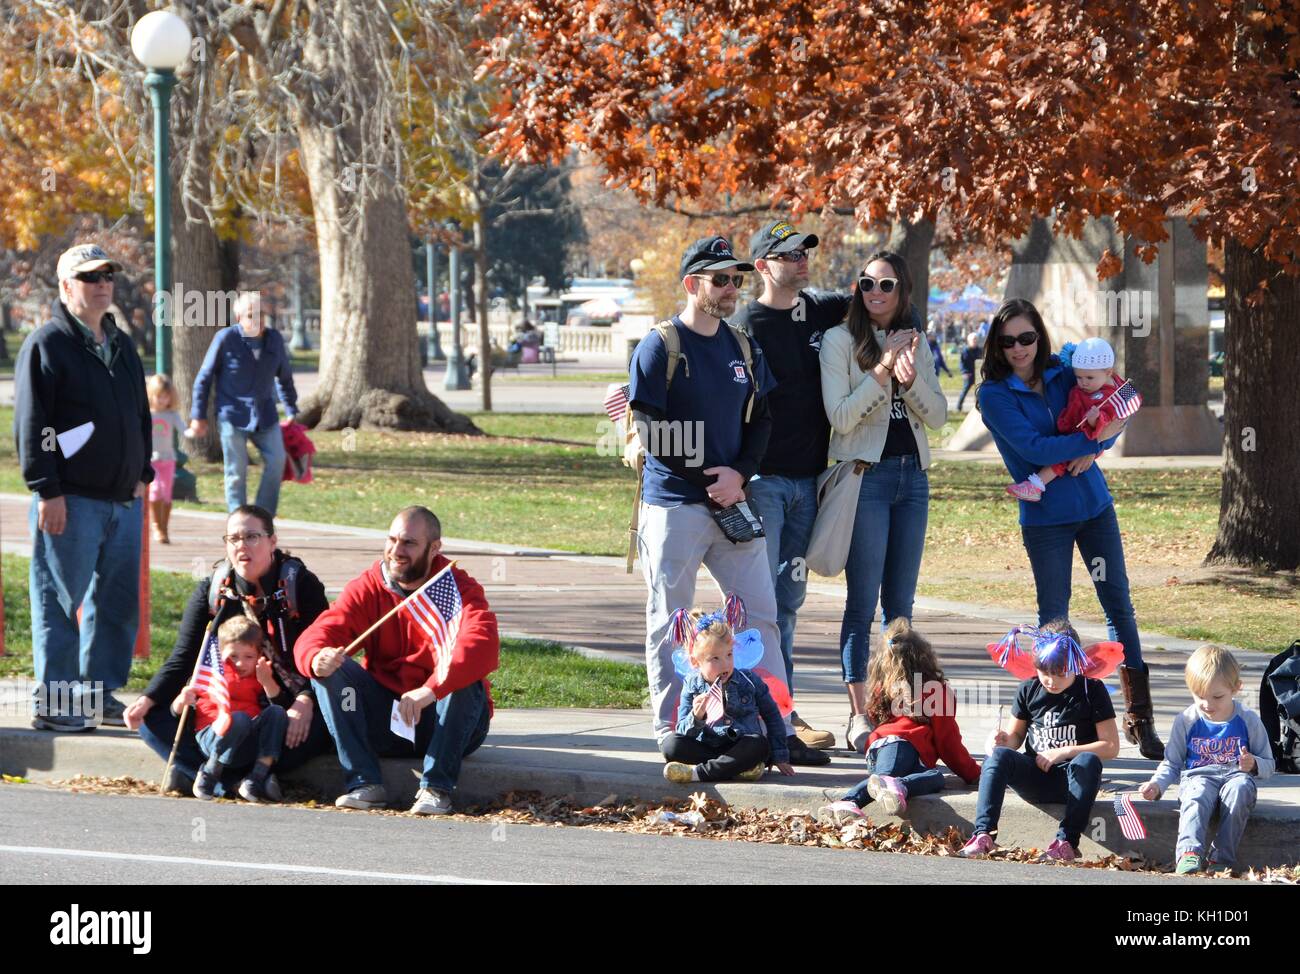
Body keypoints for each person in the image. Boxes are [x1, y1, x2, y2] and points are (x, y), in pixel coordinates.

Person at [628, 235, 828, 768]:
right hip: (673, 505)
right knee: (669, 620)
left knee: (760, 616)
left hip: (734, 503)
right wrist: (706, 476)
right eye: (720, 279)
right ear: (692, 284)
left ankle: (776, 730)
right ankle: (674, 730)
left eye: (736, 279)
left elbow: (762, 418)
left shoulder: (743, 345)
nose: (730, 288)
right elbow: (649, 426)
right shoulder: (660, 345)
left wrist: (737, 475)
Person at [976, 298, 1164, 759]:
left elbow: (1114, 407)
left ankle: (1140, 717)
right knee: (1054, 621)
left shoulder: (1065, 371)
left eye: (1027, 337)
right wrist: (1089, 441)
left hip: (1093, 505)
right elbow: (1035, 448)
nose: (1019, 348)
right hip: (1045, 520)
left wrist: (1099, 448)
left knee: (1118, 605)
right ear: (996, 347)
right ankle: (1054, 721)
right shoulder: (993, 395)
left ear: (1039, 336)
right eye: (1008, 341)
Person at [15, 243, 153, 731]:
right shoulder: (47, 344)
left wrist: (143, 475)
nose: (102, 284)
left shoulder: (122, 345)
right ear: (66, 285)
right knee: (58, 600)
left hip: (123, 499)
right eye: (90, 276)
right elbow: (33, 426)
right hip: (69, 500)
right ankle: (55, 703)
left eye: (108, 275)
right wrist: (46, 490)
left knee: (115, 606)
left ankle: (95, 694)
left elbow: (140, 413)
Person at [819, 250, 948, 752]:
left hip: (911, 479)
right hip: (865, 479)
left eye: (887, 284)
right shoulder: (838, 342)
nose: (876, 292)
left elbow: (936, 417)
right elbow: (841, 417)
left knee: (901, 608)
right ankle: (858, 717)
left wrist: (911, 378)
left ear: (904, 291)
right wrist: (881, 371)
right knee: (861, 602)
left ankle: (899, 710)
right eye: (867, 283)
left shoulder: (917, 341)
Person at [729, 219, 849, 751]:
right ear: (761, 266)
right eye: (787, 253)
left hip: (810, 480)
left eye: (804, 251)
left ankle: (780, 708)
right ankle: (761, 711)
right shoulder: (743, 325)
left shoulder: (820, 310)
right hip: (762, 484)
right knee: (759, 605)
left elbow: (891, 301)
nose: (801, 259)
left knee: (789, 600)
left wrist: (906, 336)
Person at [294, 506, 499, 814]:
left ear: (434, 549)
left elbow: (482, 644)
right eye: (391, 540)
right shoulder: (370, 585)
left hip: (445, 720)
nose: (396, 551)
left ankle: (435, 789)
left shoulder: (458, 588)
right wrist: (315, 657)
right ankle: (364, 784)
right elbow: (321, 632)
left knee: (463, 681)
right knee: (331, 672)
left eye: (408, 543)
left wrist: (431, 689)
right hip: (389, 720)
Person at [125, 505, 332, 795]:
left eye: (252, 537)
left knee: (324, 726)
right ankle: (237, 781)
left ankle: (206, 775)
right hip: (221, 711)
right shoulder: (214, 591)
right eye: (233, 539)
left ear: (272, 542)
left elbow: (321, 649)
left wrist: (306, 698)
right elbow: (184, 657)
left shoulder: (301, 586)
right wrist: (148, 698)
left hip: (280, 703)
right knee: (151, 720)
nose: (242, 546)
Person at [960, 619, 1120, 862]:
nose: (1052, 681)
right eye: (1045, 673)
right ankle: (983, 834)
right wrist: (1002, 740)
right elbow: (1015, 738)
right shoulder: (1029, 689)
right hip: (1035, 777)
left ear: (1076, 665)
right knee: (998, 757)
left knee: (1087, 761)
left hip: (1073, 780)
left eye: (1061, 674)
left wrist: (1065, 751)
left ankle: (1066, 841)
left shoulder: (1092, 691)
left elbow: (1110, 746)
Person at [818, 619, 980, 822]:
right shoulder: (935, 691)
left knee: (935, 777)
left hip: (878, 751)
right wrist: (972, 773)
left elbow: (876, 719)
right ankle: (850, 801)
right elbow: (948, 743)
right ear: (925, 657)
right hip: (902, 746)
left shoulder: (883, 687)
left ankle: (898, 787)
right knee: (885, 778)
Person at [1140, 645, 1274, 874]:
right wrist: (1157, 784)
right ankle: (1189, 853)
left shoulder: (1248, 720)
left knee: (1240, 788)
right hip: (1198, 775)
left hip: (1236, 776)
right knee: (1197, 792)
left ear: (1236, 689)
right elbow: (1172, 762)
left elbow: (1269, 764)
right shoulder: (1186, 720)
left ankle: (1221, 857)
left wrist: (1253, 765)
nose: (1208, 704)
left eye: (1217, 696)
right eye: (1199, 696)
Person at [189, 291, 298, 515]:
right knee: (236, 472)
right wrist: (198, 416)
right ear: (239, 317)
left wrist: (291, 409)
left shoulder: (274, 340)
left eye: (260, 314)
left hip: (265, 415)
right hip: (233, 415)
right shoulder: (226, 338)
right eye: (250, 314)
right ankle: (238, 523)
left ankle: (263, 519)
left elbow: (284, 377)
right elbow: (204, 378)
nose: (256, 319)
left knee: (277, 461)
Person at [661, 605, 795, 783]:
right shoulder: (692, 685)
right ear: (696, 662)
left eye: (729, 655)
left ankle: (698, 774)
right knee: (671, 745)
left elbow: (772, 715)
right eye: (715, 658)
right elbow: (682, 731)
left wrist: (780, 755)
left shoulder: (749, 680)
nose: (725, 664)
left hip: (742, 744)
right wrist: (697, 716)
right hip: (709, 747)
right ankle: (738, 768)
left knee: (759, 744)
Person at [174, 615, 290, 802]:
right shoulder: (209, 674)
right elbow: (178, 713)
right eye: (233, 656)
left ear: (259, 655)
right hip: (213, 735)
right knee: (238, 719)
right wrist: (181, 701)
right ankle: (209, 773)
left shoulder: (260, 674)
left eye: (248, 657)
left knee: (276, 713)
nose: (240, 663)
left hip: (246, 742)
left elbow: (280, 708)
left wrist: (267, 682)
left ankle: (256, 778)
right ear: (220, 653)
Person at [1005, 337, 1136, 501]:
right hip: (1073, 430)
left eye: (1089, 378)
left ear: (1108, 372)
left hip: (1085, 433)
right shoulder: (1087, 380)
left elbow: (1113, 422)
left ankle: (1035, 486)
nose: (1083, 383)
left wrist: (1095, 423)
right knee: (1063, 451)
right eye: (1078, 377)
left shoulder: (1109, 395)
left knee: (1060, 461)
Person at [146, 373, 185, 544]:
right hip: (151, 460)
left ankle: (164, 528)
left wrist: (193, 431)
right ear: (151, 396)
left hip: (168, 460)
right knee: (155, 491)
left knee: (167, 494)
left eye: (166, 396)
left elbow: (184, 430)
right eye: (159, 396)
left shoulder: (172, 415)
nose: (162, 400)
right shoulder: (147, 415)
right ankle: (156, 525)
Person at [956, 331, 981, 412]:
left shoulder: (979, 350)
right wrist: (964, 372)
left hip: (978, 374)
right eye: (973, 340)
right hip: (969, 374)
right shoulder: (965, 351)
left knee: (979, 391)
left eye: (976, 339)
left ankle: (979, 407)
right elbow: (961, 363)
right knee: (965, 390)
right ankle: (959, 406)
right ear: (969, 341)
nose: (975, 341)